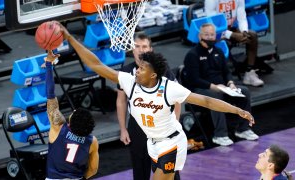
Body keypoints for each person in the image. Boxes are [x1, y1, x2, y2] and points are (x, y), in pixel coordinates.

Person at [57, 21, 255, 180]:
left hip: (171, 144)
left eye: (142, 69)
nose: (138, 70)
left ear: (153, 76)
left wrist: (236, 110)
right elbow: (95, 64)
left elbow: (207, 101)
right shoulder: (129, 81)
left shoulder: (169, 87)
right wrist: (70, 38)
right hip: (152, 142)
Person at [116, 33, 181, 180]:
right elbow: (121, 101)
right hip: (137, 126)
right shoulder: (126, 71)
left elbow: (177, 99)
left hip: (160, 125)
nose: (140, 50)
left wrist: (175, 125)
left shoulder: (162, 70)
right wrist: (123, 129)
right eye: (137, 46)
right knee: (139, 170)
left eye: (144, 46)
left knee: (168, 169)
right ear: (132, 50)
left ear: (150, 49)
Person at [182, 23, 258, 146]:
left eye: (212, 34)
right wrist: (214, 87)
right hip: (200, 90)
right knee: (215, 96)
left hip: (223, 88)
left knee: (244, 92)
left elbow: (226, 72)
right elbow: (194, 79)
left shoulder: (218, 52)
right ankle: (220, 135)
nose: (210, 37)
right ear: (200, 36)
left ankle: (243, 129)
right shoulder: (192, 55)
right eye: (206, 34)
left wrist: (231, 83)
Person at [44, 51, 99, 180]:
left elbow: (50, 95)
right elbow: (93, 169)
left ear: (71, 121)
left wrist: (48, 65)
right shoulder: (92, 141)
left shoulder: (58, 128)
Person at [204, 0, 265, 87]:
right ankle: (220, 78)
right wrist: (232, 35)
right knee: (219, 41)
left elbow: (242, 18)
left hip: (230, 28)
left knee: (252, 36)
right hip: (213, 32)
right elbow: (214, 25)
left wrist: (244, 31)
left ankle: (249, 73)